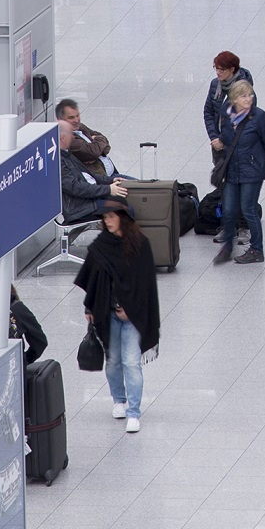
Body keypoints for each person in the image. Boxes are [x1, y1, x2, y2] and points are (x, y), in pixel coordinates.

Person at [76, 197, 161, 430]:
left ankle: (134, 411)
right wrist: (89, 307)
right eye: (105, 217)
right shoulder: (100, 246)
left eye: (112, 216)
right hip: (108, 313)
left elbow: (145, 285)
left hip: (133, 316)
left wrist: (131, 308)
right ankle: (119, 400)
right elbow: (91, 279)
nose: (108, 221)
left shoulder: (140, 245)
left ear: (123, 217)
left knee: (132, 362)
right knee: (113, 361)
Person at [213, 80, 265, 264]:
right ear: (234, 99)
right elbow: (226, 136)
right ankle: (228, 247)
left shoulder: (259, 117)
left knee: (248, 210)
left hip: (251, 172)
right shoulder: (227, 115)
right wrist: (220, 141)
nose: (248, 99)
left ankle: (257, 249)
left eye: (250, 95)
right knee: (229, 209)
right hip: (232, 170)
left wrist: (255, 160)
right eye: (243, 96)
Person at [202, 53, 254, 188]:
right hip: (218, 146)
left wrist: (224, 141)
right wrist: (214, 137)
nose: (217, 73)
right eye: (216, 68)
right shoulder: (215, 85)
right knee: (222, 185)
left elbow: (244, 121)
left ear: (232, 70)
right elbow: (208, 112)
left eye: (222, 70)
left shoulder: (244, 90)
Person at [60, 116, 124, 223]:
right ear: (62, 138)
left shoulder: (66, 154)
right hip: (82, 208)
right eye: (70, 134)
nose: (73, 137)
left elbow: (88, 174)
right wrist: (108, 189)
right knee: (124, 209)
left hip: (91, 198)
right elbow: (75, 187)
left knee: (129, 195)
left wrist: (110, 181)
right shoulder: (60, 161)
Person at [57, 97, 114, 171]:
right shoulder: (69, 139)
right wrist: (97, 148)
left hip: (111, 174)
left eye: (77, 116)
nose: (76, 120)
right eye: (71, 118)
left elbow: (106, 145)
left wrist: (98, 149)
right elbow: (94, 152)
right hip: (102, 177)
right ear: (60, 119)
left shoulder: (79, 126)